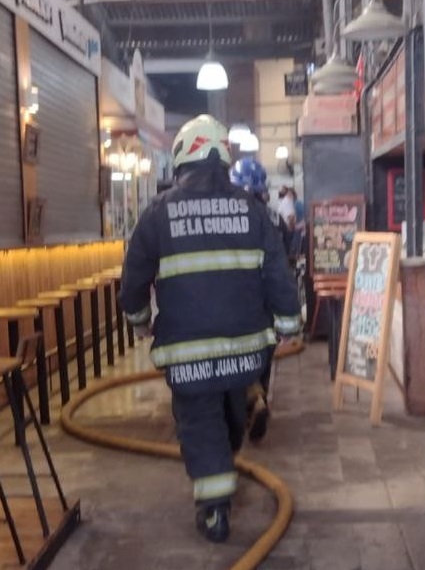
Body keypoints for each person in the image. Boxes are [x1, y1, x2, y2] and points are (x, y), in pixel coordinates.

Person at [120, 115, 302, 544]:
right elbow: (278, 275)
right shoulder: (255, 212)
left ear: (182, 159)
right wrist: (290, 324)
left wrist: (139, 321)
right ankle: (238, 428)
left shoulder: (157, 214)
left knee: (199, 420)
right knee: (233, 404)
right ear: (224, 159)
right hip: (245, 351)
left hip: (186, 355)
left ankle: (215, 509)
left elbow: (133, 280)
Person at [229, 156, 285, 442]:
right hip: (268, 306)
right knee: (264, 356)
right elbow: (285, 261)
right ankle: (259, 397)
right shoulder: (273, 217)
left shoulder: (228, 219)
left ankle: (250, 406)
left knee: (238, 360)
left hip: (238, 303)